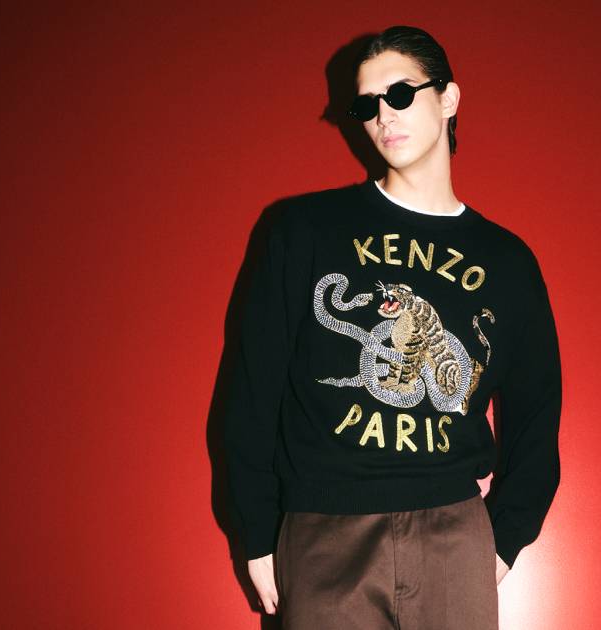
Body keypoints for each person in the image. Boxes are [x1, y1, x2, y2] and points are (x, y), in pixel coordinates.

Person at [223, 25, 562, 630]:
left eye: (401, 93)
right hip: (323, 532)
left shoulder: (508, 261)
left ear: (448, 98)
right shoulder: (303, 230)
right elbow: (252, 390)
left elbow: (538, 411)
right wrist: (256, 530)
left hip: (454, 532)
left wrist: (506, 537)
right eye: (366, 105)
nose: (383, 115)